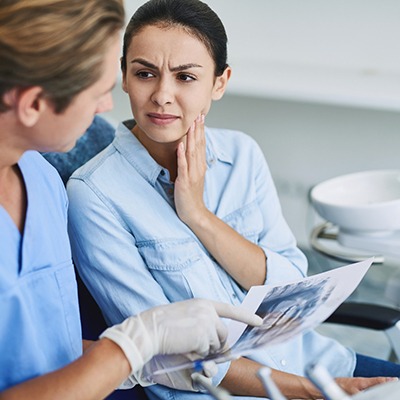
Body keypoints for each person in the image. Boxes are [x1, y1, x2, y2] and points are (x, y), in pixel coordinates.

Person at [66, 0, 400, 398]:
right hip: (219, 390)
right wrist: (313, 392)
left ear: (219, 83)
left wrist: (199, 216)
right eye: (145, 73)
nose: (162, 95)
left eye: (186, 77)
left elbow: (292, 283)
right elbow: (166, 354)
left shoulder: (242, 155)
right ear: (123, 75)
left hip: (317, 361)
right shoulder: (93, 193)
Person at [0, 1, 262, 399]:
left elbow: (56, 352)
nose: (107, 107)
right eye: (100, 89)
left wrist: (144, 353)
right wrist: (135, 342)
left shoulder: (42, 181)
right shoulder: (89, 191)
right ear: (33, 103)